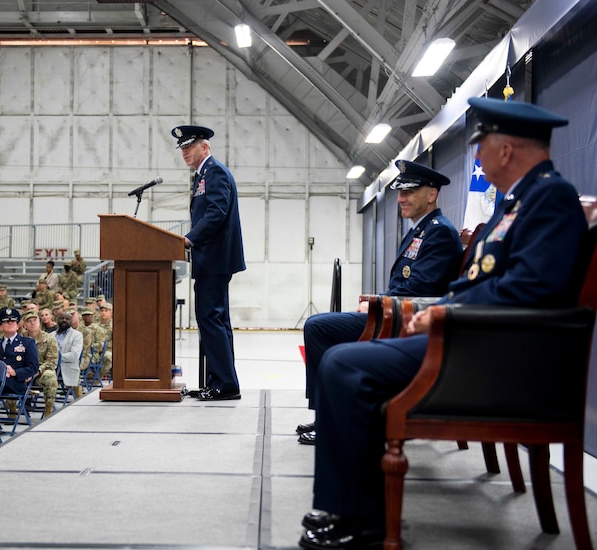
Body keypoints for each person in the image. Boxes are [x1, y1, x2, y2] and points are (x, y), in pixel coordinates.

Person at [299, 98, 587, 549]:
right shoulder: (522, 202)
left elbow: (531, 291)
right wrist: (439, 307)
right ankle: (352, 508)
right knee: (340, 358)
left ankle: (359, 518)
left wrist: (444, 312)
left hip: (493, 354)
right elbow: (486, 279)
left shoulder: (550, 199)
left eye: (481, 145)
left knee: (344, 365)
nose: (476, 157)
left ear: (506, 149)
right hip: (478, 341)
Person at [298, 161, 462, 445]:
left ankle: (330, 419)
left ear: (432, 194)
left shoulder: (439, 232)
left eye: (410, 192)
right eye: (400, 192)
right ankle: (328, 415)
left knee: (318, 327)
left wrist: (379, 304)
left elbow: (421, 288)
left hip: (408, 320)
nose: (401, 198)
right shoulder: (419, 230)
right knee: (319, 325)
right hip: (396, 312)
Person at [172, 124, 246, 401]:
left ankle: (224, 384)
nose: (184, 152)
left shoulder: (214, 172)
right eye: (182, 148)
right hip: (212, 259)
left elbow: (216, 213)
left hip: (215, 259)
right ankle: (220, 381)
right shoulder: (204, 174)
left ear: (205, 146)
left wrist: (189, 239)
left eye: (189, 146)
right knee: (217, 320)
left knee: (211, 319)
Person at [0, 308, 38, 395]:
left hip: (16, 383)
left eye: (13, 321)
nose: (10, 323)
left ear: (17, 326)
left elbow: (33, 367)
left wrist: (15, 372)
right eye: (6, 321)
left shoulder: (27, 343)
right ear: (1, 327)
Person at [22, 311, 59, 417]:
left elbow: (52, 361)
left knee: (50, 376)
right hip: (24, 372)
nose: (32, 323)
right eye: (29, 321)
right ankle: (12, 411)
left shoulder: (49, 338)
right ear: (24, 325)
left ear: (39, 322)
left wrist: (36, 372)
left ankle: (48, 409)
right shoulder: (20, 339)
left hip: (41, 372)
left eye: (35, 320)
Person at [54, 312, 83, 399]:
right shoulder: (51, 335)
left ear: (71, 321)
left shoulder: (77, 335)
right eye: (62, 318)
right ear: (57, 320)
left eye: (67, 319)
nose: (64, 320)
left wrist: (57, 357)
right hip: (52, 367)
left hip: (68, 366)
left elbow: (74, 356)